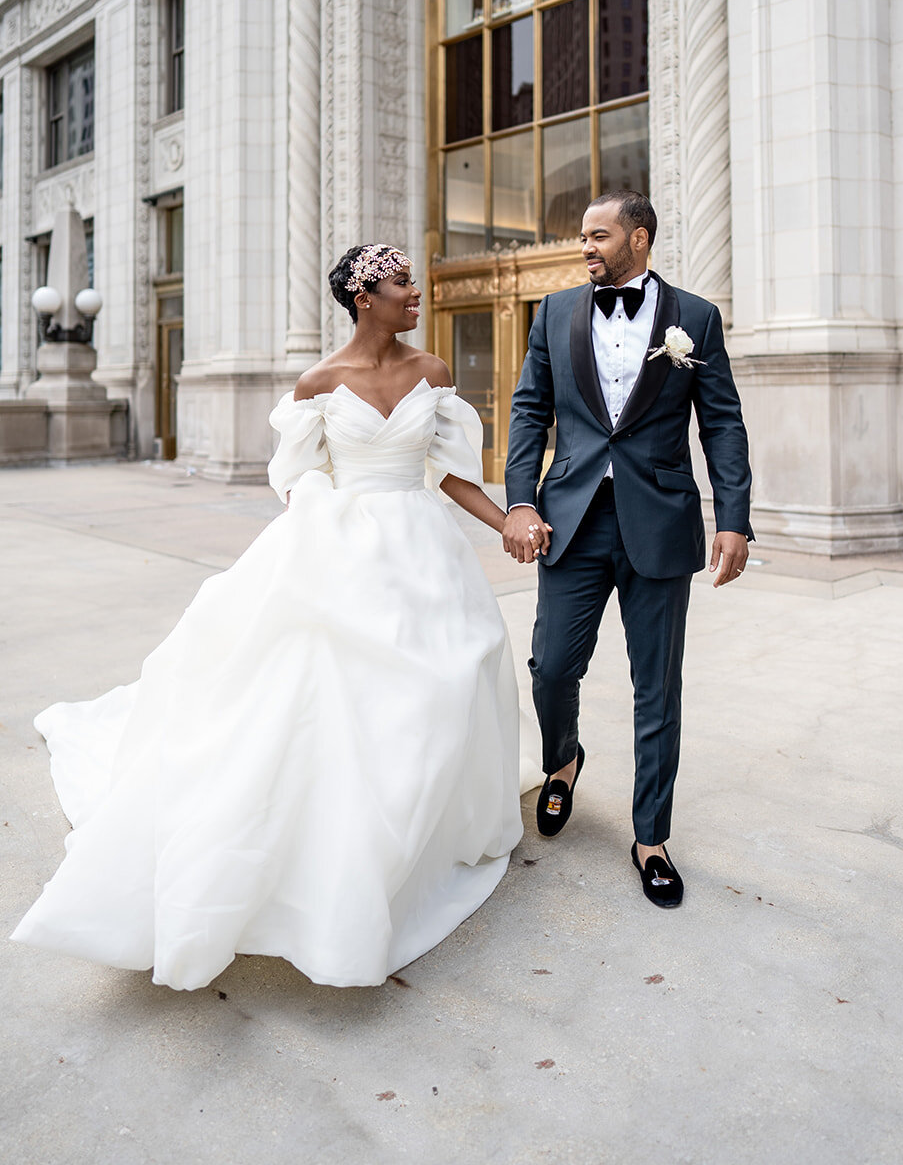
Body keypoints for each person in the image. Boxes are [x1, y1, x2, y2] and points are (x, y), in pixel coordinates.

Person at [13, 244, 541, 991]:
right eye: (399, 284)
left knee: (455, 672)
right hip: (342, 549)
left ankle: (429, 825)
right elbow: (296, 483)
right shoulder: (317, 383)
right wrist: (323, 531)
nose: (415, 293)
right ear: (364, 297)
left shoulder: (433, 373)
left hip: (426, 553)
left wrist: (509, 523)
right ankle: (344, 853)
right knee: (331, 694)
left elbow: (451, 473)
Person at [502, 192, 753, 908]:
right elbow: (528, 410)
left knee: (657, 688)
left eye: (598, 235)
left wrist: (732, 518)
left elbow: (723, 424)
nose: (584, 246)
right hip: (570, 520)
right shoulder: (552, 313)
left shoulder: (695, 318)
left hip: (660, 523)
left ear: (637, 238)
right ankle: (563, 759)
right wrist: (521, 500)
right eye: (581, 236)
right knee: (551, 667)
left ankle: (650, 837)